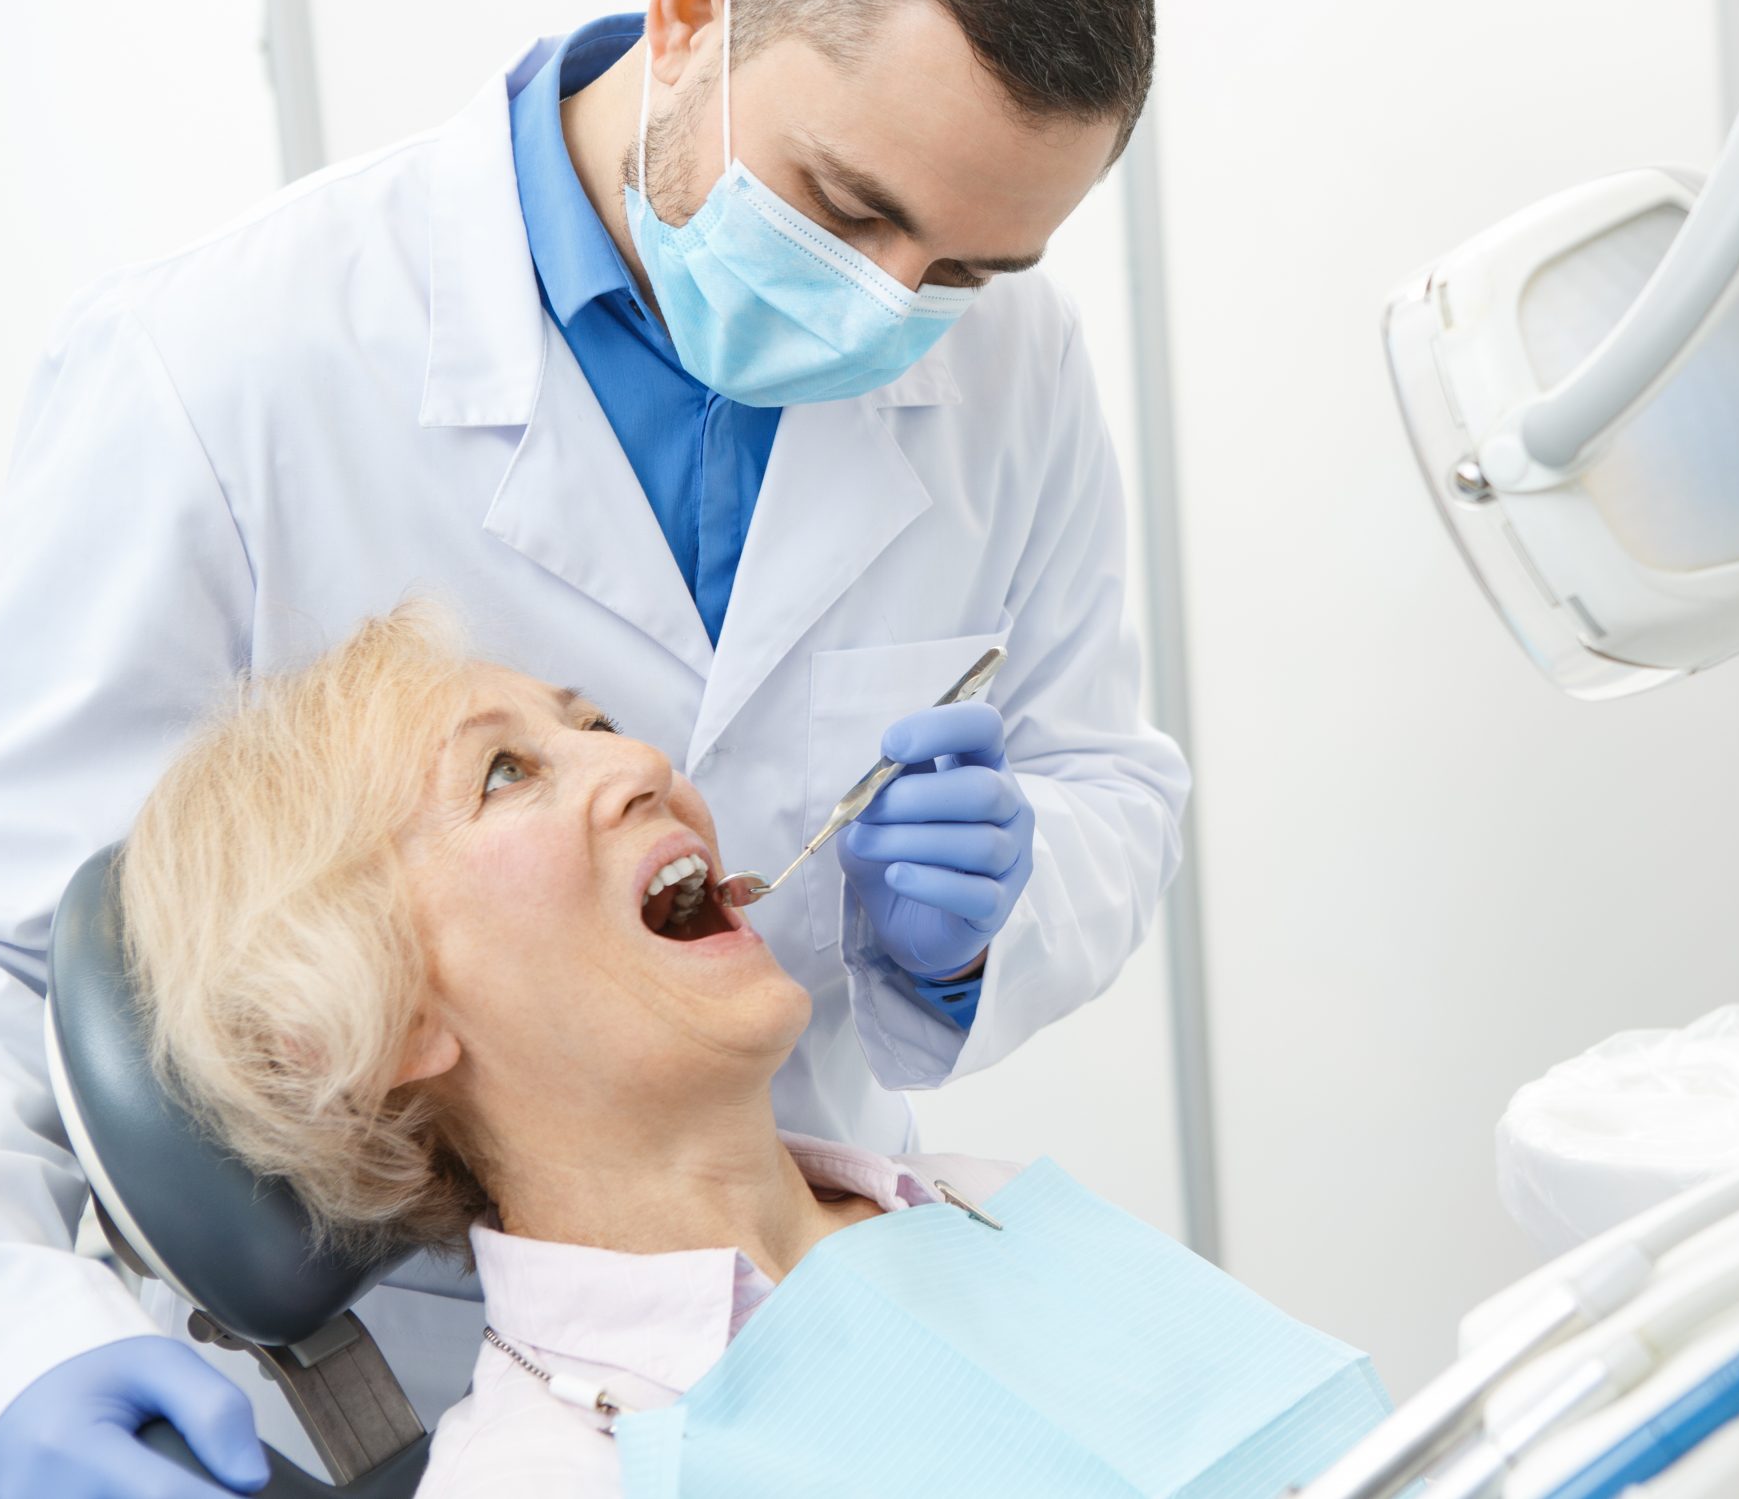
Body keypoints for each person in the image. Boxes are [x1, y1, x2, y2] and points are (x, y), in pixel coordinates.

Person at [0, 0, 1188, 1494]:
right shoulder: (222, 367)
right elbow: (9, 959)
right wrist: (6, 1338)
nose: (892, 308)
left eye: (967, 271)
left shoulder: (1012, 364)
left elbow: (1097, 769)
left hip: (832, 1296)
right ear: (692, 17)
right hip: (407, 1369)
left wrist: (995, 908)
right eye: (845, 209)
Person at [112, 609, 1378, 1497]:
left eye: (595, 721)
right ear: (379, 1021)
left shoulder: (983, 1205)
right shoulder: (552, 1480)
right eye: (503, 775)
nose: (640, 762)